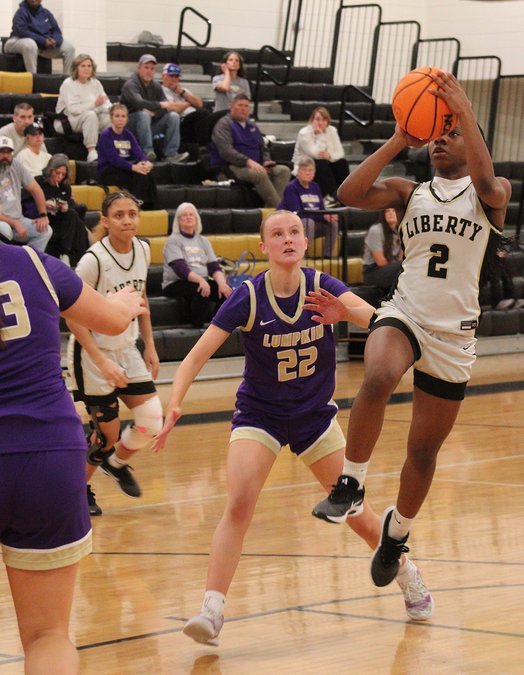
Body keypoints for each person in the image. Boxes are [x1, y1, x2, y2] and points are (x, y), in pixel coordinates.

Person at [154, 211, 435, 647]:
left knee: (359, 516)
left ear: (304, 243)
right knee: (239, 503)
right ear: (263, 246)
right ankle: (211, 610)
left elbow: (383, 322)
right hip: (260, 416)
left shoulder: (322, 285)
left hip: (313, 418)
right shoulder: (249, 295)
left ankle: (407, 574)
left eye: (294, 233)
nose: (287, 239)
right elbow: (194, 357)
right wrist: (174, 402)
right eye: (277, 233)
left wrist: (344, 311)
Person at [311, 72, 511, 589]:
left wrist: (463, 110)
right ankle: (351, 483)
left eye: (452, 134)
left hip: (453, 336)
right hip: (406, 314)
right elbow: (349, 192)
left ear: (471, 139)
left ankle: (396, 533)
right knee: (377, 374)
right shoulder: (410, 191)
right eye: (437, 134)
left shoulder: (490, 194)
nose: (441, 141)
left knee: (422, 452)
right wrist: (400, 138)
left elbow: (489, 183)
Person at [0, 244, 146, 673]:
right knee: (48, 636)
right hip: (47, 455)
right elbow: (114, 320)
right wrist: (124, 304)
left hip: (43, 452)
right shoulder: (32, 262)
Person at [66, 191, 163, 516]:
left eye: (132, 214)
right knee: (106, 436)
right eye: (119, 215)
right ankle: (78, 492)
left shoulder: (143, 249)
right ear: (105, 221)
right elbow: (72, 316)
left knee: (152, 420)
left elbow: (141, 300)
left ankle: (117, 463)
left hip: (127, 348)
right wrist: (101, 361)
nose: (127, 220)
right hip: (92, 354)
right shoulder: (93, 260)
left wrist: (149, 345)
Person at [210, 94, 291, 207]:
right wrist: (247, 161)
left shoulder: (252, 125)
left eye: (246, 106)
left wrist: (266, 161)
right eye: (240, 105)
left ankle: (270, 209)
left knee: (283, 171)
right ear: (231, 107)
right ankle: (279, 209)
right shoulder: (224, 125)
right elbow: (226, 151)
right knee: (259, 173)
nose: (243, 108)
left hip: (257, 164)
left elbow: (263, 147)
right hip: (234, 166)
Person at [162, 202, 233, 328]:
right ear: (178, 220)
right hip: (175, 283)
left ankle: (216, 326)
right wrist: (201, 280)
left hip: (200, 281)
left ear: (196, 219)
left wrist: (222, 284)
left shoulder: (203, 241)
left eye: (191, 214)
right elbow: (180, 269)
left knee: (226, 292)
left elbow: (214, 267)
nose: (188, 217)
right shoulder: (173, 240)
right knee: (201, 290)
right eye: (184, 215)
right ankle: (197, 328)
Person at [119, 54, 189, 163]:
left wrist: (155, 113)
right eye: (146, 67)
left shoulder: (155, 85)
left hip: (148, 124)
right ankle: (147, 152)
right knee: (143, 114)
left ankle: (171, 154)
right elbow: (139, 103)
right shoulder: (131, 84)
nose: (149, 71)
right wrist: (160, 105)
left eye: (152, 69)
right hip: (128, 125)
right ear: (139, 68)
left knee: (173, 116)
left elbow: (167, 107)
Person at [24, 154, 89, 267]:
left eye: (63, 174)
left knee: (72, 214)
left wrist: (65, 207)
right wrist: (43, 205)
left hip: (58, 219)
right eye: (57, 173)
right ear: (50, 170)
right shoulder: (38, 181)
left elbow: (69, 204)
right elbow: (25, 204)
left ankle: (65, 254)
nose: (60, 177)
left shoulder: (65, 187)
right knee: (75, 220)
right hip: (40, 217)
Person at [97, 103, 157, 209]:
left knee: (147, 172)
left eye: (123, 116)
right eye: (117, 116)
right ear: (111, 118)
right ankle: (136, 206)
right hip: (109, 171)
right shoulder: (106, 135)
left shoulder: (128, 134)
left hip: (125, 168)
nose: (120, 119)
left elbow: (138, 152)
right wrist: (134, 167)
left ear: (126, 119)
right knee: (138, 175)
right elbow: (114, 159)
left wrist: (146, 162)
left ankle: (150, 206)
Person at [55, 53, 111, 163]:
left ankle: (109, 149)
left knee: (112, 118)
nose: (87, 68)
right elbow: (73, 109)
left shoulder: (96, 83)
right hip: (68, 119)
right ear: (76, 68)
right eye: (83, 66)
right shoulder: (68, 84)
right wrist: (94, 105)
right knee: (91, 115)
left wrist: (111, 109)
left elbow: (105, 102)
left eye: (89, 66)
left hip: (91, 116)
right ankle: (92, 152)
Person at [277, 157, 338, 257]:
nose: (307, 173)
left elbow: (321, 209)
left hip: (311, 224)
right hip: (291, 225)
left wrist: (328, 216)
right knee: (308, 222)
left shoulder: (315, 186)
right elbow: (297, 213)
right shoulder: (291, 187)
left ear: (314, 173)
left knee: (333, 224)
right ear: (298, 172)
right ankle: (300, 256)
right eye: (304, 170)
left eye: (310, 170)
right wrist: (322, 216)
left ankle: (327, 256)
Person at [0, 135, 52, 251]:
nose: (5, 156)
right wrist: (14, 223)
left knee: (45, 230)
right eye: (2, 152)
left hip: (18, 219)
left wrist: (43, 215)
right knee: (4, 231)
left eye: (8, 152)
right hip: (3, 222)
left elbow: (36, 190)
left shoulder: (16, 165)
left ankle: (28, 260)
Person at [292, 106, 349, 204]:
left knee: (342, 163)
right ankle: (329, 196)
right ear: (312, 120)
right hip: (305, 163)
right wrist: (320, 135)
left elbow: (340, 153)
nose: (321, 123)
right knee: (321, 163)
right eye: (318, 119)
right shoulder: (304, 133)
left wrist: (330, 156)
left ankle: (345, 195)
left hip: (327, 162)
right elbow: (316, 154)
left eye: (324, 120)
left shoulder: (332, 130)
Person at [4, 0, 75, 75]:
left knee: (69, 48)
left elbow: (56, 31)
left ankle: (67, 79)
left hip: (39, 45)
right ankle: (33, 78)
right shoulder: (21, 12)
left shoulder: (46, 13)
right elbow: (21, 31)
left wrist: (55, 41)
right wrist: (43, 41)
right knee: (30, 44)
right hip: (15, 42)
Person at [161, 63, 211, 146]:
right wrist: (189, 103)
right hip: (177, 122)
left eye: (176, 77)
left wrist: (183, 93)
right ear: (163, 76)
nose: (174, 79)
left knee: (207, 114)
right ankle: (203, 147)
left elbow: (199, 104)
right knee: (202, 114)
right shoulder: (160, 90)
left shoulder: (183, 90)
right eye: (171, 76)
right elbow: (175, 109)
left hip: (191, 120)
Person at [362, 207, 403, 291]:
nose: (390, 213)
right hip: (373, 272)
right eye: (387, 211)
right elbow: (380, 262)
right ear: (383, 214)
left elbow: (401, 257)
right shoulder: (375, 230)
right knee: (403, 266)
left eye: (394, 210)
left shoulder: (401, 230)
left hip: (392, 268)